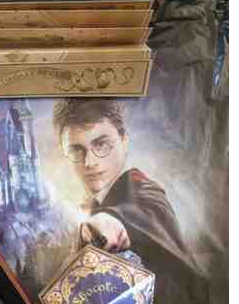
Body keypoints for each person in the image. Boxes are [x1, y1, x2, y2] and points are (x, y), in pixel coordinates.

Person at [52, 98, 193, 270]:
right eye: (76, 150)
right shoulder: (91, 205)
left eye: (101, 144)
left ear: (124, 141)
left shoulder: (144, 191)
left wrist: (109, 220)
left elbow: (149, 210)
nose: (89, 162)